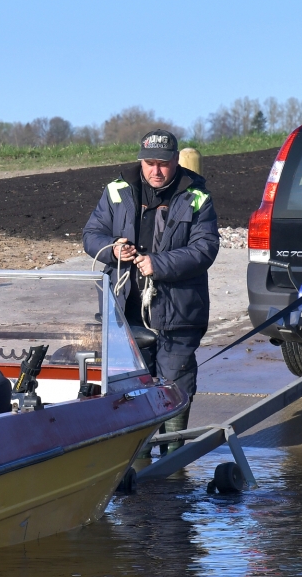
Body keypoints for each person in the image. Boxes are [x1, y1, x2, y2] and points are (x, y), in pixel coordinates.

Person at [82, 129, 219, 441]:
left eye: (164, 164)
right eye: (150, 164)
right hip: (125, 313)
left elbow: (204, 249)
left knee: (176, 384)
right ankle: (138, 458)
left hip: (178, 312)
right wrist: (113, 247)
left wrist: (158, 264)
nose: (156, 171)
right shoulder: (116, 190)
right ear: (140, 162)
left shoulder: (198, 197)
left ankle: (173, 464)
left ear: (176, 161)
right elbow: (91, 234)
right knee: (131, 390)